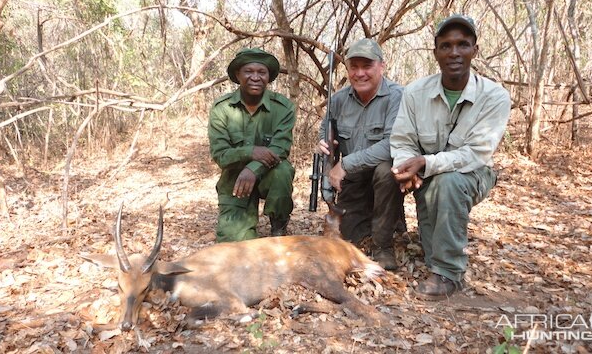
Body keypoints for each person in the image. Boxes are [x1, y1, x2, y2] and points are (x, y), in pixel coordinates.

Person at [390, 15, 511, 299]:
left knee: (447, 183)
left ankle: (449, 272)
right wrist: (407, 167)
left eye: (462, 45)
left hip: (473, 172)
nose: (454, 53)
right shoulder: (415, 92)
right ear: (436, 53)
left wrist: (426, 164)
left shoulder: (495, 96)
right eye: (446, 46)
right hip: (427, 170)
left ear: (474, 50)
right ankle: (434, 256)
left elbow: (476, 153)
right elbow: (402, 140)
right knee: (416, 182)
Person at [316, 38, 404, 270]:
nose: (360, 73)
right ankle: (376, 220)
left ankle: (383, 246)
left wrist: (345, 164)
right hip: (353, 180)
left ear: (381, 66)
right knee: (348, 237)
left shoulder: (398, 96)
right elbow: (325, 128)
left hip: (381, 175)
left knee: (387, 171)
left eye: (367, 66)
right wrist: (324, 143)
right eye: (354, 67)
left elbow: (392, 144)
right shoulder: (339, 99)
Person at [208, 48, 295, 242]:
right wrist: (251, 152)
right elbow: (220, 154)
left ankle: (278, 225)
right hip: (235, 180)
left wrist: (253, 170)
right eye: (248, 71)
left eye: (261, 72)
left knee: (283, 171)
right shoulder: (222, 109)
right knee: (232, 246)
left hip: (269, 174)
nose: (255, 77)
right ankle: (241, 217)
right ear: (238, 75)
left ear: (268, 77)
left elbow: (280, 149)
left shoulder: (283, 108)